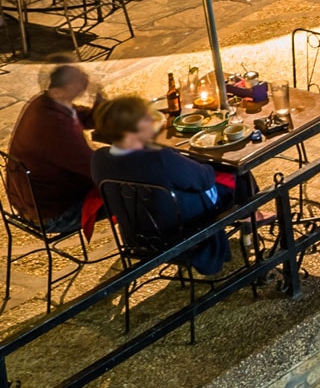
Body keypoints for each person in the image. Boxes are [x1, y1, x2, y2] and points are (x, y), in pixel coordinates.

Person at [88, 94, 256, 275]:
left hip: (137, 234)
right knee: (238, 173)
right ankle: (249, 219)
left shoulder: (99, 159)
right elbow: (204, 179)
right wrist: (195, 162)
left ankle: (248, 218)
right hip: (182, 231)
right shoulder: (158, 159)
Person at [7, 64, 97, 233]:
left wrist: (104, 113)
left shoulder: (43, 102)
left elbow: (75, 113)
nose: (81, 94)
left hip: (30, 202)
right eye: (75, 91)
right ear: (57, 91)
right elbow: (94, 170)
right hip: (53, 215)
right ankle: (144, 248)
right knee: (132, 191)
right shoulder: (55, 127)